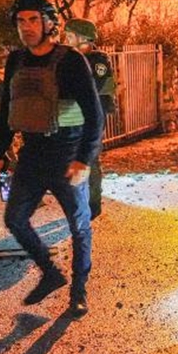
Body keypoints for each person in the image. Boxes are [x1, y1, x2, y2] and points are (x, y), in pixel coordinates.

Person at [0, 0, 103, 318]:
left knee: (79, 225)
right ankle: (51, 273)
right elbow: (6, 108)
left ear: (48, 22)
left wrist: (84, 159)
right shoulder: (16, 61)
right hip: (32, 154)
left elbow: (95, 116)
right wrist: (0, 151)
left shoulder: (71, 61)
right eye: (20, 21)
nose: (26, 27)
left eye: (32, 20)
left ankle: (79, 292)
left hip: (68, 154)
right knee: (14, 218)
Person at [63, 18, 117, 220]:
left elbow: (94, 88)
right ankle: (78, 201)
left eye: (69, 36)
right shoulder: (71, 57)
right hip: (72, 116)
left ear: (82, 38)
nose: (66, 40)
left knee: (89, 159)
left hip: (91, 118)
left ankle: (92, 204)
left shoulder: (97, 61)